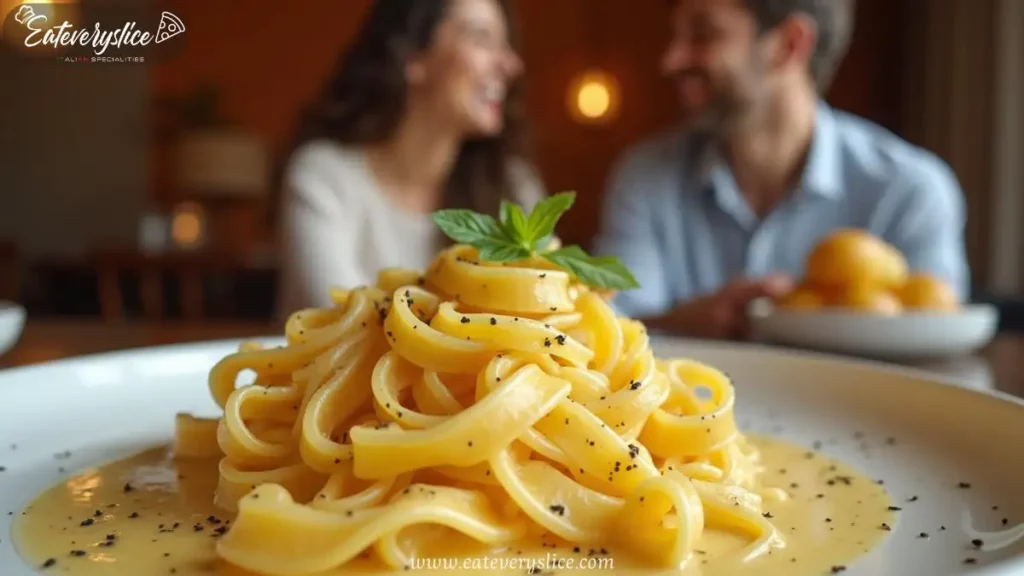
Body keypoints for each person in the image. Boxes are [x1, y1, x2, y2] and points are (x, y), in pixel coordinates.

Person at [594, 0, 969, 340]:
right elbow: (612, 326)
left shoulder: (910, 190)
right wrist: (685, 322)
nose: (671, 60)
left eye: (703, 34)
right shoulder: (643, 176)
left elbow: (934, 342)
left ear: (788, 44)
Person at [276, 0, 544, 314]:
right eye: (482, 38)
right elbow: (347, 324)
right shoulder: (323, 177)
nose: (511, 65)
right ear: (413, 55)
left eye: (506, 44)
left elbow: (543, 309)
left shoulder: (514, 187)